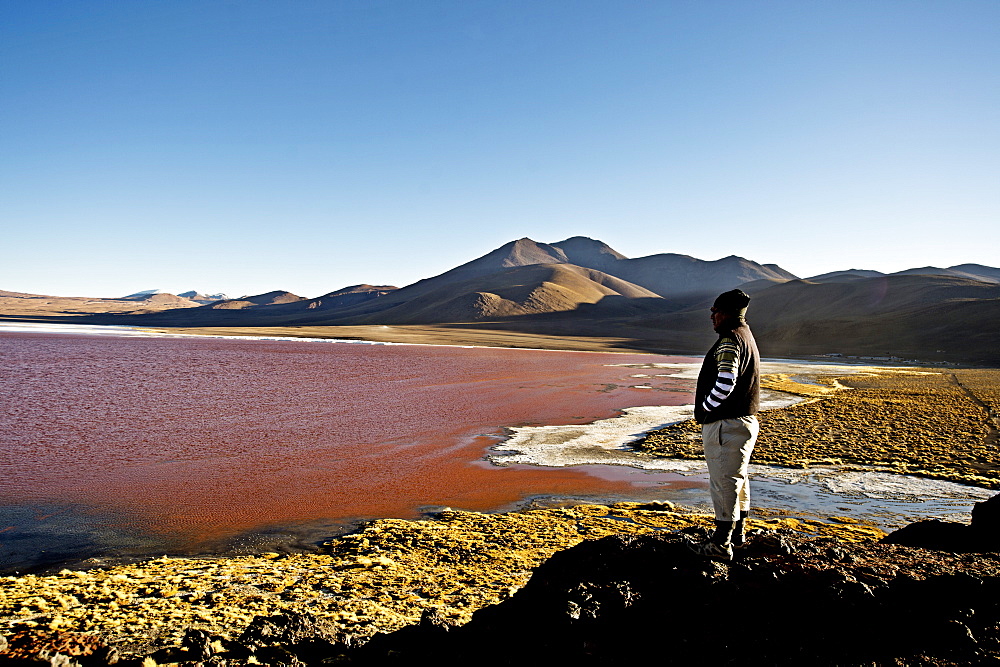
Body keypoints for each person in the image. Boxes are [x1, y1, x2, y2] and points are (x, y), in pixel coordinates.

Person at [688, 288, 760, 562]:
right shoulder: (746, 337)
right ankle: (738, 536)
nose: (712, 317)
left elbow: (726, 381)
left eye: (715, 311)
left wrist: (707, 409)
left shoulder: (729, 341)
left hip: (726, 425)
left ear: (727, 314)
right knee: (738, 480)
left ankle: (721, 543)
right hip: (743, 421)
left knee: (723, 482)